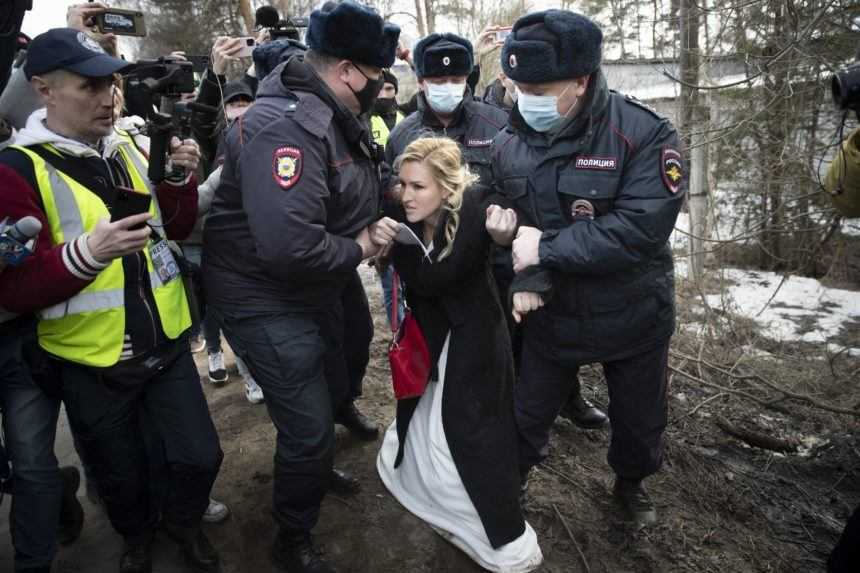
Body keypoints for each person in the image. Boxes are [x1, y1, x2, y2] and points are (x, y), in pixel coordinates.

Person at [0, 28, 223, 573]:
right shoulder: (17, 169)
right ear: (44, 89)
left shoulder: (128, 142)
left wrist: (177, 179)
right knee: (120, 477)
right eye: (90, 86)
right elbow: (15, 288)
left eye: (112, 85)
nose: (108, 98)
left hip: (166, 340)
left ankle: (183, 523)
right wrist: (87, 253)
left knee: (200, 455)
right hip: (89, 358)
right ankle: (138, 539)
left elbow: (175, 223)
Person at [202, 2, 399, 571]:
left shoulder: (335, 112)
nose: (382, 86)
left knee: (339, 376)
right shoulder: (286, 126)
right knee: (308, 426)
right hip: (263, 295)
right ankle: (293, 537)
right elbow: (289, 247)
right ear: (346, 71)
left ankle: (312, 467)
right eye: (377, 75)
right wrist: (363, 246)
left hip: (318, 283)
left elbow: (355, 182)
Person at [492, 10, 685, 527]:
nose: (525, 98)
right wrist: (504, 238)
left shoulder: (643, 134)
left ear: (580, 79)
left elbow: (640, 230)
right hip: (553, 316)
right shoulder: (509, 140)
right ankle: (513, 482)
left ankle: (631, 483)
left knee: (640, 421)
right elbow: (516, 229)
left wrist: (544, 249)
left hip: (633, 313)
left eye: (539, 87)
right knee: (526, 414)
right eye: (517, 86)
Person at [374, 137, 542, 572]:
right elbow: (409, 274)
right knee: (426, 420)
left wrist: (508, 236)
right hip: (429, 339)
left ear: (447, 189)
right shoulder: (398, 216)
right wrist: (379, 240)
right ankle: (426, 489)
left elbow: (528, 230)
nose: (406, 196)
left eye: (419, 188)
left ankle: (491, 527)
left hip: (474, 341)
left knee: (472, 432)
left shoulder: (479, 207)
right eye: (403, 185)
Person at [383, 32, 507, 187]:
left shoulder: (497, 125)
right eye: (439, 82)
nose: (448, 87)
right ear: (421, 82)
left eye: (456, 81)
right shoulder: (401, 136)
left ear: (466, 80)